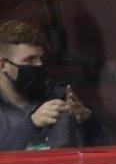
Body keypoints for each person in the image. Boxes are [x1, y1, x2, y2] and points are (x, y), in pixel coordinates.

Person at [0, 21, 100, 152]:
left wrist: (85, 120)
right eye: (30, 59)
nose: (39, 65)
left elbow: (97, 152)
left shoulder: (60, 96)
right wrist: (31, 124)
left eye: (40, 58)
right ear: (3, 66)